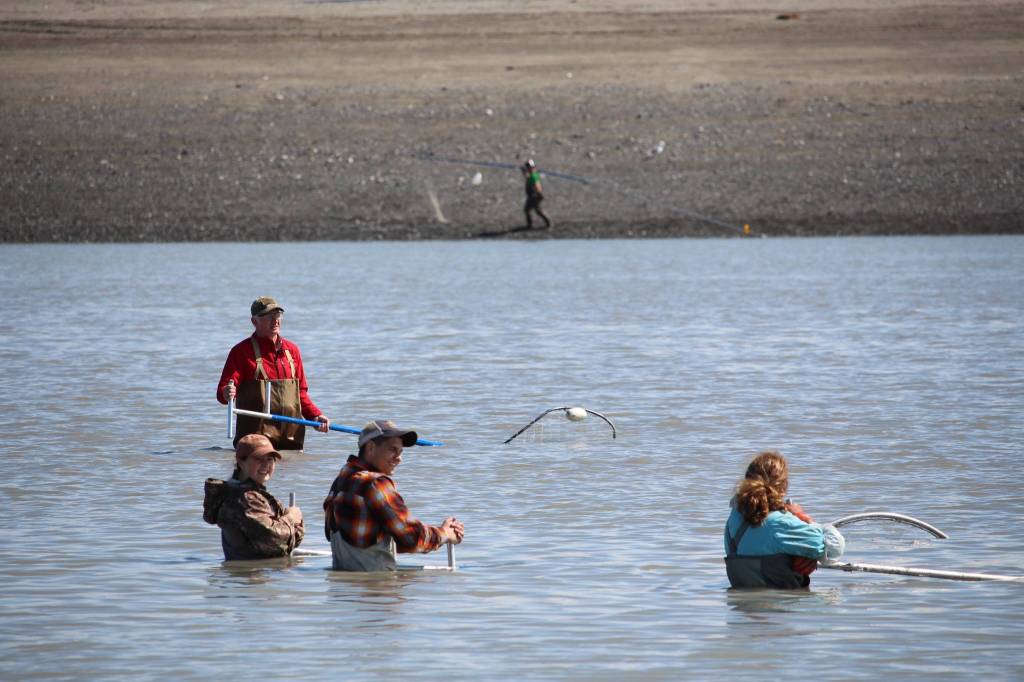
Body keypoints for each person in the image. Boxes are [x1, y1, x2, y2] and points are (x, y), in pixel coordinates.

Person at [322, 419, 465, 571]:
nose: (399, 458)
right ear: (370, 447)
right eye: (393, 450)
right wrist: (445, 533)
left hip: (342, 589)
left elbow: (365, 539)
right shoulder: (376, 483)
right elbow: (411, 538)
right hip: (377, 588)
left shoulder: (342, 478)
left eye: (400, 452)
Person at [217, 296, 329, 450]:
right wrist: (226, 392)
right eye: (269, 317)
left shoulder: (292, 351)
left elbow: (300, 394)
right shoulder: (241, 352)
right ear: (254, 321)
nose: (275, 321)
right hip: (255, 446)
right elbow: (223, 394)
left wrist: (316, 416)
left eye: (278, 316)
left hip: (291, 442)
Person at [723, 450, 845, 589]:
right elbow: (835, 547)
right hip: (782, 607)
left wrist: (805, 553)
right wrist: (803, 518)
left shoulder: (733, 520)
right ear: (784, 486)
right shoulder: (780, 523)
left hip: (742, 608)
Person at [203, 433, 305, 560]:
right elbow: (274, 539)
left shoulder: (253, 494)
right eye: (259, 459)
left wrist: (294, 525)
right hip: (250, 575)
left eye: (270, 459)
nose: (266, 464)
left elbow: (291, 541)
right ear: (240, 462)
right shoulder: (246, 499)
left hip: (257, 572)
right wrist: (291, 518)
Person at [521, 159, 551, 229]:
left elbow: (535, 185)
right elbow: (527, 177)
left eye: (528, 167)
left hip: (534, 196)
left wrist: (537, 194)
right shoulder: (533, 174)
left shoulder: (533, 176)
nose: (528, 169)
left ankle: (547, 222)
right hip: (533, 195)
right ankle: (546, 223)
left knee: (534, 210)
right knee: (532, 210)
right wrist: (524, 172)